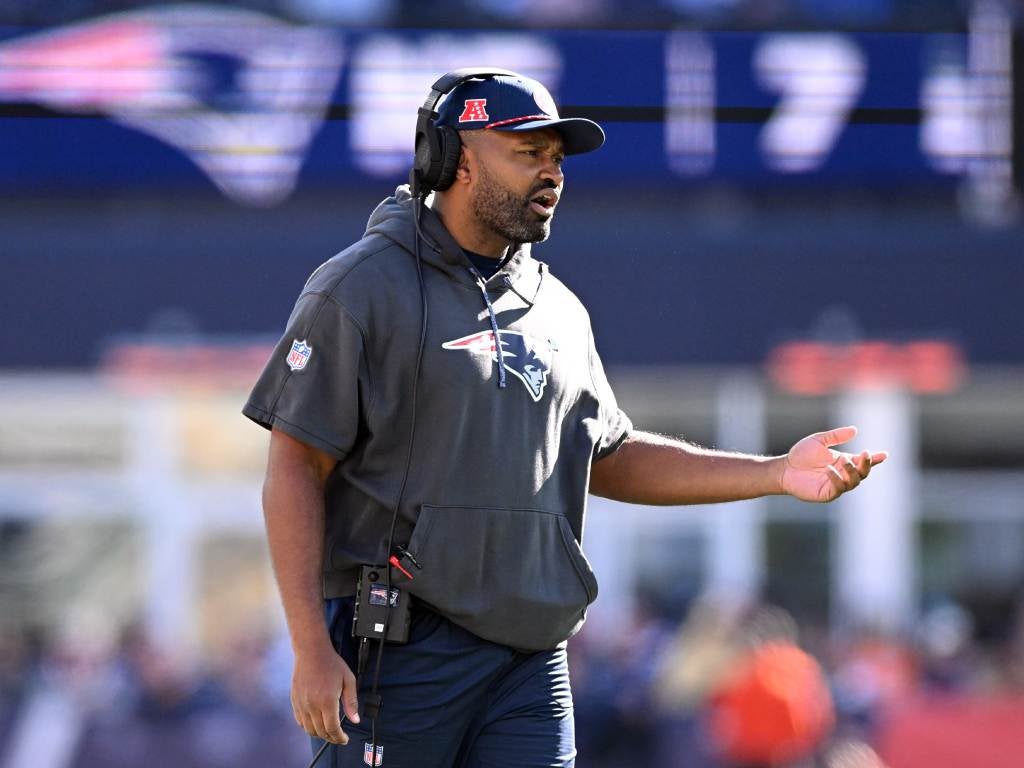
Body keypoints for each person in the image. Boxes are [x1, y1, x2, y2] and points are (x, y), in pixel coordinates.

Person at [242, 71, 887, 768]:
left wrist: (773, 473)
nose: (552, 172)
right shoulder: (359, 288)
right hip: (399, 657)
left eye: (557, 157)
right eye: (528, 154)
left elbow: (606, 453)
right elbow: (295, 468)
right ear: (453, 159)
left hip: (531, 658)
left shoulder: (560, 310)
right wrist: (309, 648)